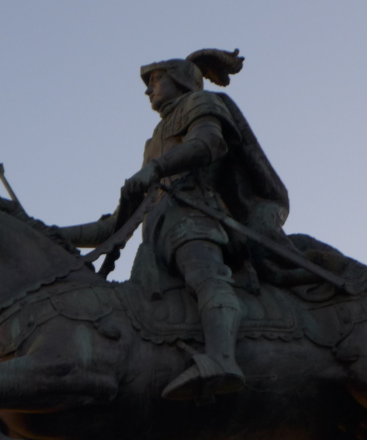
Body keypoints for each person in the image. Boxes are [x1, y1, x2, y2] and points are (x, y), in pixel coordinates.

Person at [66, 48, 290, 401]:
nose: (148, 89)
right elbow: (113, 227)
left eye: (156, 79)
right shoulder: (153, 141)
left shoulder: (201, 102)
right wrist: (51, 233)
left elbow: (209, 142)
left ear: (182, 79)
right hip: (155, 241)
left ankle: (221, 359)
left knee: (205, 276)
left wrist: (156, 168)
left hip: (195, 216)